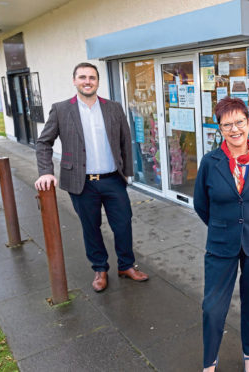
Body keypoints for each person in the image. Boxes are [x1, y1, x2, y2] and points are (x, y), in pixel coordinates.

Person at [35, 62, 148, 293]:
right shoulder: (61, 109)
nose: (88, 81)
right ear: (75, 81)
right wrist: (46, 171)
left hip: (112, 180)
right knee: (91, 227)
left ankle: (126, 265)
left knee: (123, 224)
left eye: (92, 77)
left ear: (98, 81)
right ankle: (100, 268)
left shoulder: (113, 108)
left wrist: (127, 172)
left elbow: (126, 140)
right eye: (83, 77)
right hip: (81, 182)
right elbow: (43, 142)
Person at [194, 97, 249, 372]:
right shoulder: (210, 162)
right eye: (227, 124)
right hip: (221, 242)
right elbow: (201, 204)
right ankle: (209, 361)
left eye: (239, 122)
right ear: (219, 128)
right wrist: (224, 224)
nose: (234, 129)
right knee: (212, 307)